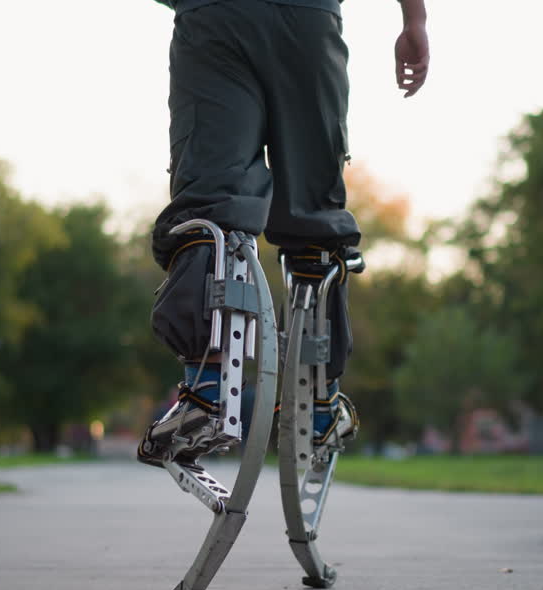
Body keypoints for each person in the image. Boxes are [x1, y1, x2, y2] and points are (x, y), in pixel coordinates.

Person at [139, 0, 430, 468]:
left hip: (214, 18)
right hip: (305, 17)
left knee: (210, 199)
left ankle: (208, 391)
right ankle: (317, 406)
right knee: (312, 210)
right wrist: (414, 20)